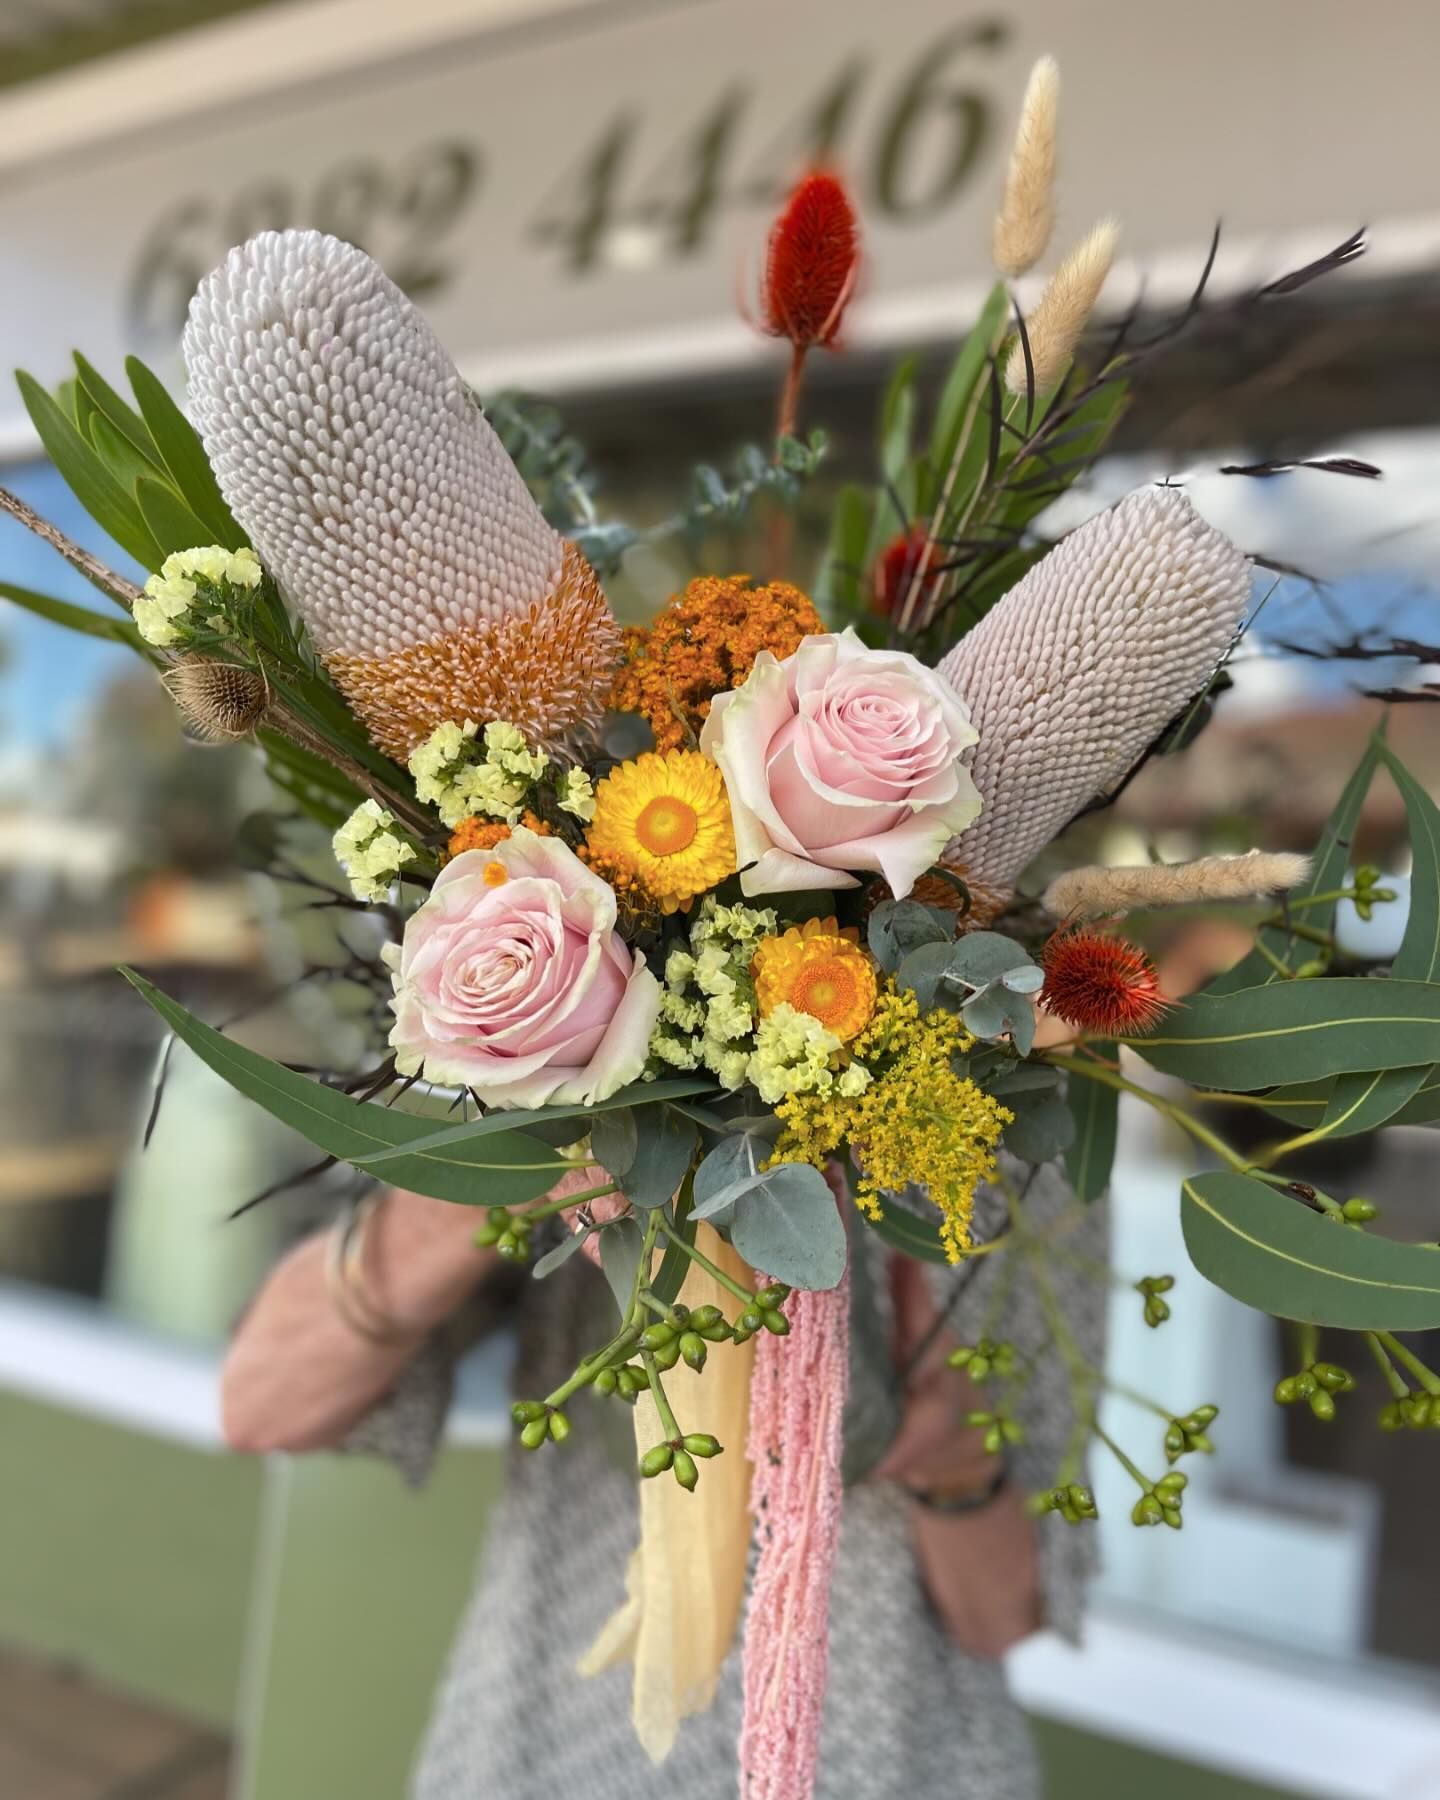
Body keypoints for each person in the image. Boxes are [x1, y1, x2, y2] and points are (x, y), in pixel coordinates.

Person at [222, 1161, 1105, 1798]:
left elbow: (1005, 1615)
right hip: (547, 1743)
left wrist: (957, 1459)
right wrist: (498, 1158)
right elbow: (262, 1405)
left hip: (887, 1761)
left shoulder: (1013, 1150)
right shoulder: (570, 1093)